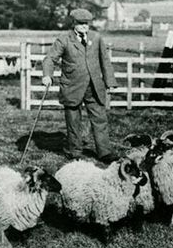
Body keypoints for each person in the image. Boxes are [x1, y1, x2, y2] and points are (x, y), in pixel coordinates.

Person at [42, 8, 119, 163]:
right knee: (73, 121)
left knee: (100, 119)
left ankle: (104, 152)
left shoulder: (96, 38)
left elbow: (105, 61)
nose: (84, 27)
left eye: (87, 24)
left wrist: (110, 82)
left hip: (94, 87)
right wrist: (47, 75)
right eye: (81, 24)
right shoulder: (64, 39)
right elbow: (50, 59)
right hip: (72, 87)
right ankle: (74, 151)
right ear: (74, 24)